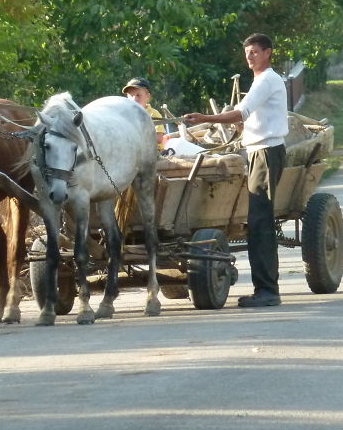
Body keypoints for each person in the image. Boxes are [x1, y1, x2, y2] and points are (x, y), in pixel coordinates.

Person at [183, 33, 288, 308]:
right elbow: (251, 118)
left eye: (254, 52)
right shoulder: (262, 81)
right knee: (257, 222)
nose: (249, 57)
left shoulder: (266, 80)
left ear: (267, 53)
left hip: (266, 153)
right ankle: (266, 288)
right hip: (259, 151)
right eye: (247, 53)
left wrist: (205, 118)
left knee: (260, 224)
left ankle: (267, 290)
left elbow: (241, 113)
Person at [122, 77, 169, 149]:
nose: (134, 99)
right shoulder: (125, 115)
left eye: (138, 95)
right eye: (131, 95)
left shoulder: (153, 114)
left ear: (148, 96)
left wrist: (137, 137)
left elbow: (159, 138)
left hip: (153, 152)